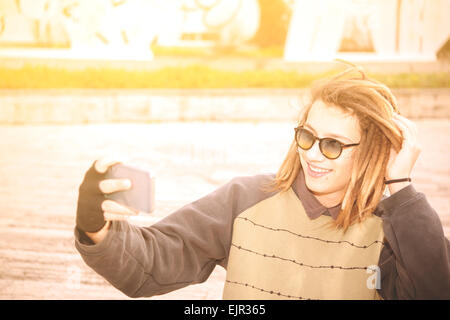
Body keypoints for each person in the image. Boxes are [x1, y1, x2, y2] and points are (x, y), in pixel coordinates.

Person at [74, 65, 450, 299]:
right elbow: (150, 267)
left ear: (371, 150)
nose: (313, 154)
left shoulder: (394, 229)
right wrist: (95, 228)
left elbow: (434, 290)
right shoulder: (245, 200)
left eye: (333, 144)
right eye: (307, 136)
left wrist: (400, 185)